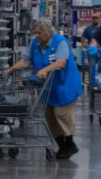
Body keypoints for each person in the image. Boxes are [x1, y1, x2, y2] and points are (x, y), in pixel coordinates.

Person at [5, 19, 83, 159]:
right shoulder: (35, 43)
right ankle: (63, 146)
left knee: (61, 113)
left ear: (49, 32)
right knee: (48, 115)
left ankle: (70, 144)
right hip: (48, 87)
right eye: (35, 33)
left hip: (66, 84)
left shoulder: (60, 42)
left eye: (39, 33)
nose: (36, 36)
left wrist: (45, 69)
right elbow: (26, 60)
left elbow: (61, 62)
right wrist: (11, 69)